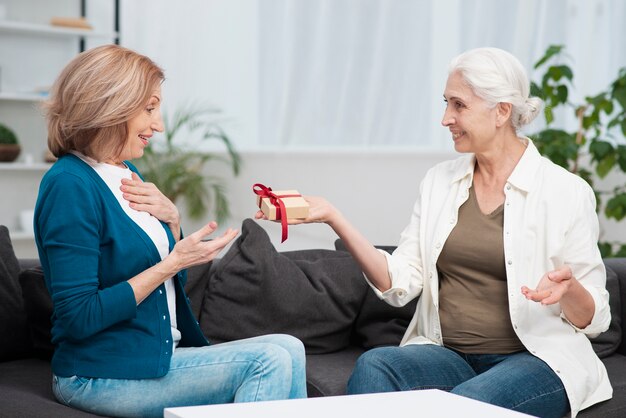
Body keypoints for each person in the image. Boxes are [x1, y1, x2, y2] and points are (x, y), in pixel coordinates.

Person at [258, 47, 612, 417]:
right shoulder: (440, 183)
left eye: (458, 105)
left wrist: (570, 291)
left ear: (501, 111)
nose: (446, 118)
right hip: (448, 356)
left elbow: (597, 318)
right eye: (446, 103)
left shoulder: (565, 191)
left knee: (464, 403)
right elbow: (400, 284)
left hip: (537, 359)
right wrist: (335, 218)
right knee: (375, 366)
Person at [34, 44, 307, 418]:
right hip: (97, 374)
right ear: (108, 105)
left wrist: (174, 226)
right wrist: (172, 262)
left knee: (291, 347)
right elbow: (78, 316)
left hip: (153, 358)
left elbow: (155, 278)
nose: (159, 124)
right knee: (267, 361)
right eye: (149, 108)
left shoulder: (129, 176)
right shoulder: (69, 184)